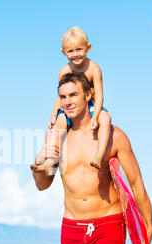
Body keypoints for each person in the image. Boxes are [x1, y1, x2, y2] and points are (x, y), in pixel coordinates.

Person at [31, 73, 152, 244]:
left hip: (108, 223)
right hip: (72, 227)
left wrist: (148, 224)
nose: (67, 101)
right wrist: (38, 172)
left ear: (88, 95)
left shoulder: (114, 136)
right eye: (63, 97)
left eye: (73, 95)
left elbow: (137, 184)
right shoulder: (58, 137)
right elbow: (43, 184)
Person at [43, 26, 111, 175]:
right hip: (69, 106)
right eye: (70, 51)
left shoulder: (94, 69)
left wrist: (96, 114)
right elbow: (60, 96)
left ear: (88, 48)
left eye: (79, 49)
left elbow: (99, 94)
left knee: (106, 118)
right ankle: (49, 160)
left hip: (91, 105)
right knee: (57, 125)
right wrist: (53, 114)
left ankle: (99, 154)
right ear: (63, 52)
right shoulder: (64, 71)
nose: (75, 54)